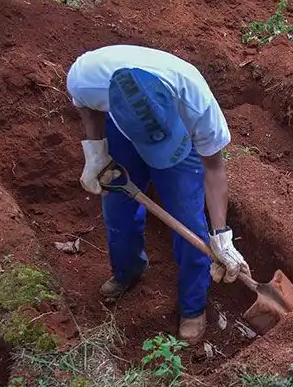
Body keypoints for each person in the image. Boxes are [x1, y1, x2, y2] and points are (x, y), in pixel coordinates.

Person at [66, 44, 250, 344]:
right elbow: (87, 107)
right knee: (118, 210)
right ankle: (128, 271)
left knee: (190, 222)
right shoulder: (86, 77)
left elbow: (214, 169)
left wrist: (221, 235)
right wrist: (96, 151)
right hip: (123, 136)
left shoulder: (198, 105)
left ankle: (193, 306)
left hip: (178, 150)